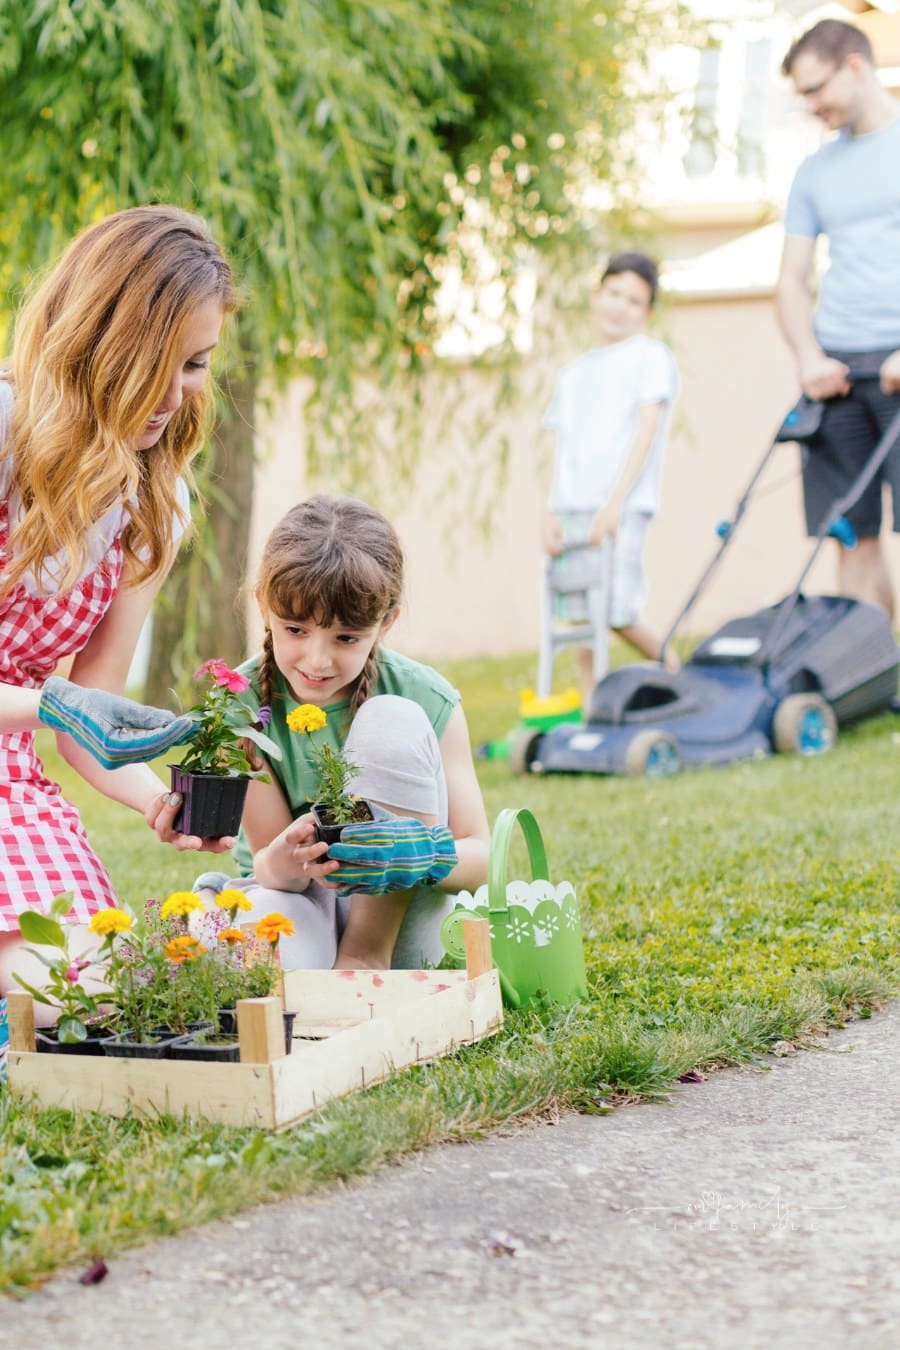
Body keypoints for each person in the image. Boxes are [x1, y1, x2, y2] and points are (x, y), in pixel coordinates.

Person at [0, 205, 238, 1025]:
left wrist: (154, 801)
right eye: (156, 364)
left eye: (198, 365)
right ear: (96, 344)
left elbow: (79, 728)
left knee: (90, 993)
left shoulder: (155, 502)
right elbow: (62, 709)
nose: (175, 397)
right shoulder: (3, 434)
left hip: (11, 786)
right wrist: (53, 704)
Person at [193, 494, 491, 972]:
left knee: (392, 717)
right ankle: (236, 932)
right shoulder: (242, 707)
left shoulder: (424, 698)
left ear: (386, 620)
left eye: (346, 638)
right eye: (295, 630)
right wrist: (287, 861)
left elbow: (480, 856)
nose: (317, 659)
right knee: (256, 962)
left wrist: (423, 854)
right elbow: (268, 865)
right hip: (299, 904)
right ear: (264, 607)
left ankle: (364, 958)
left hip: (401, 919)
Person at [776, 18, 900, 619]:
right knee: (851, 532)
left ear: (855, 65)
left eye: (815, 89)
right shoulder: (815, 172)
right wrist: (808, 358)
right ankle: (874, 675)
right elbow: (792, 281)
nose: (810, 105)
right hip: (839, 371)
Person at [541, 250, 679, 708]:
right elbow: (559, 449)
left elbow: (646, 429)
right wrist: (548, 511)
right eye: (614, 293)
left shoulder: (649, 358)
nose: (620, 306)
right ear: (597, 294)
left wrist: (616, 501)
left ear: (648, 312)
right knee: (579, 614)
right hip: (573, 506)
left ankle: (679, 676)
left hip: (620, 505)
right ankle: (592, 704)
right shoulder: (573, 373)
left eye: (634, 301)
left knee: (616, 609)